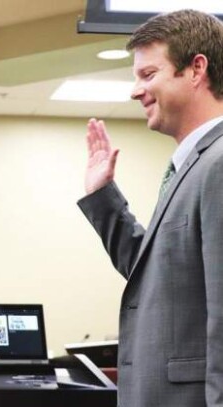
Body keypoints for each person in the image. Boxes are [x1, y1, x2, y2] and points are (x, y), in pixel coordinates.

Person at [77, 9, 223, 407]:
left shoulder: (219, 163)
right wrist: (103, 196)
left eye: (148, 75)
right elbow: (154, 277)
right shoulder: (191, 164)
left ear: (196, 70)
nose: (135, 91)